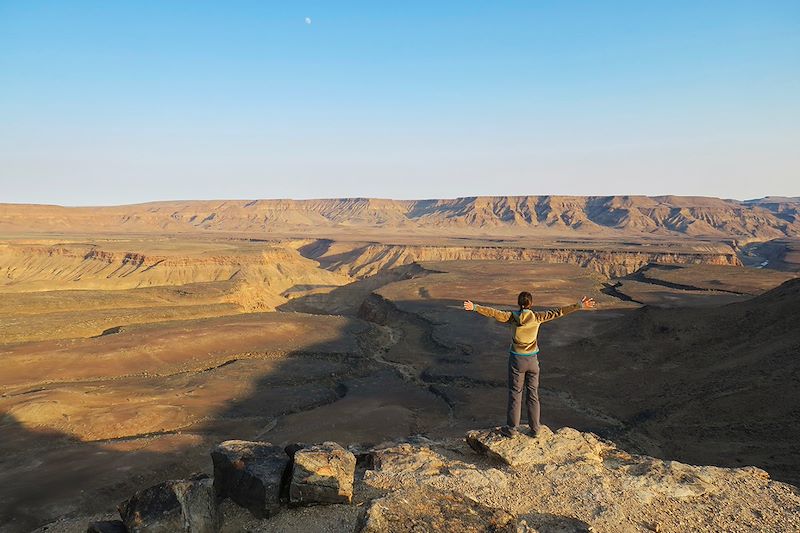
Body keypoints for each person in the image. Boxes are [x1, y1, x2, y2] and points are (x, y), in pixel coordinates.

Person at [463, 291, 595, 438]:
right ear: (530, 304)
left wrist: (475, 307)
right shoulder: (537, 317)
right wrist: (579, 305)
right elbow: (558, 312)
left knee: (515, 394)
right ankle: (535, 429)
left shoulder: (512, 317)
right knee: (533, 395)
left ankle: (512, 429)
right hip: (532, 361)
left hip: (516, 361)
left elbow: (493, 313)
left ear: (519, 303)